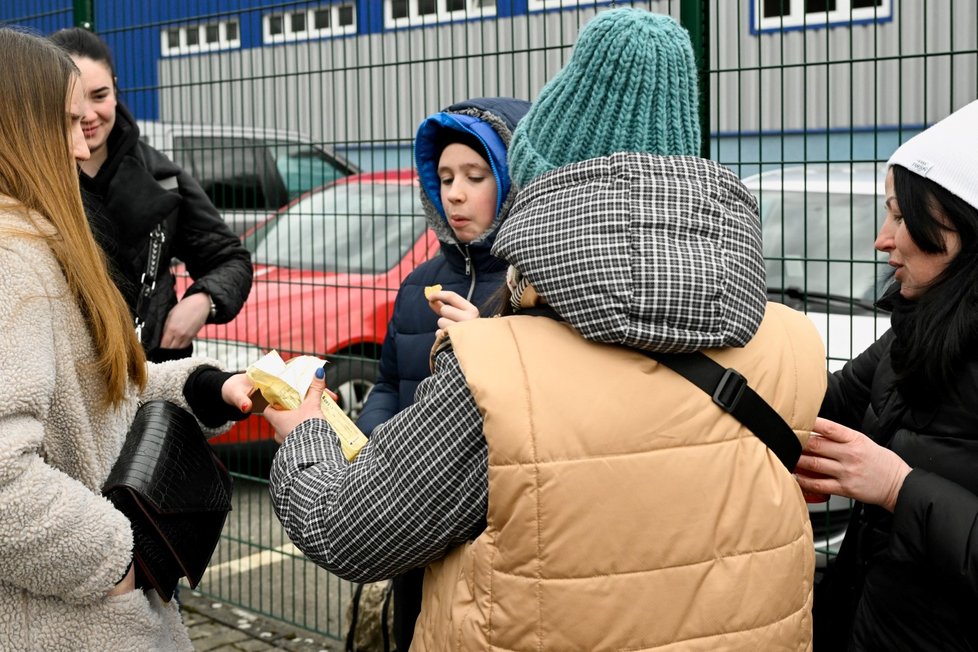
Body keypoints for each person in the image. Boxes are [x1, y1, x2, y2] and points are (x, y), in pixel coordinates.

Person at [266, 9, 827, 650]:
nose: (458, 193)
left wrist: (307, 436)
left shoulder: (500, 376)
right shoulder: (795, 346)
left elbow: (353, 531)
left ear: (539, 193)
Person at [0, 27, 256, 651]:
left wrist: (205, 386)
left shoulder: (43, 239)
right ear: (21, 130)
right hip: (68, 625)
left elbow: (92, 385)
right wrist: (119, 559)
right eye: (64, 121)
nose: (81, 139)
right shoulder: (14, 261)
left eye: (95, 104)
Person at [795, 99, 978, 652]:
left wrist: (899, 488)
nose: (882, 239)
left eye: (901, 216)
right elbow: (828, 402)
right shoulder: (916, 329)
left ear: (963, 228)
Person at [354, 96, 529, 649]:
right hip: (414, 522)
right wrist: (373, 442)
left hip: (492, 532)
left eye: (475, 176)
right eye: (445, 176)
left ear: (512, 181)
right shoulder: (418, 283)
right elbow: (388, 382)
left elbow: (537, 404)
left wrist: (485, 341)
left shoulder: (534, 287)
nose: (454, 192)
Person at [48, 27, 253, 363]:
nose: (88, 115)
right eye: (72, 102)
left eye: (99, 96)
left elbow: (230, 259)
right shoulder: (28, 183)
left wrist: (202, 301)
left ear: (115, 87)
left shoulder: (163, 178)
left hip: (154, 373)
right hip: (65, 379)